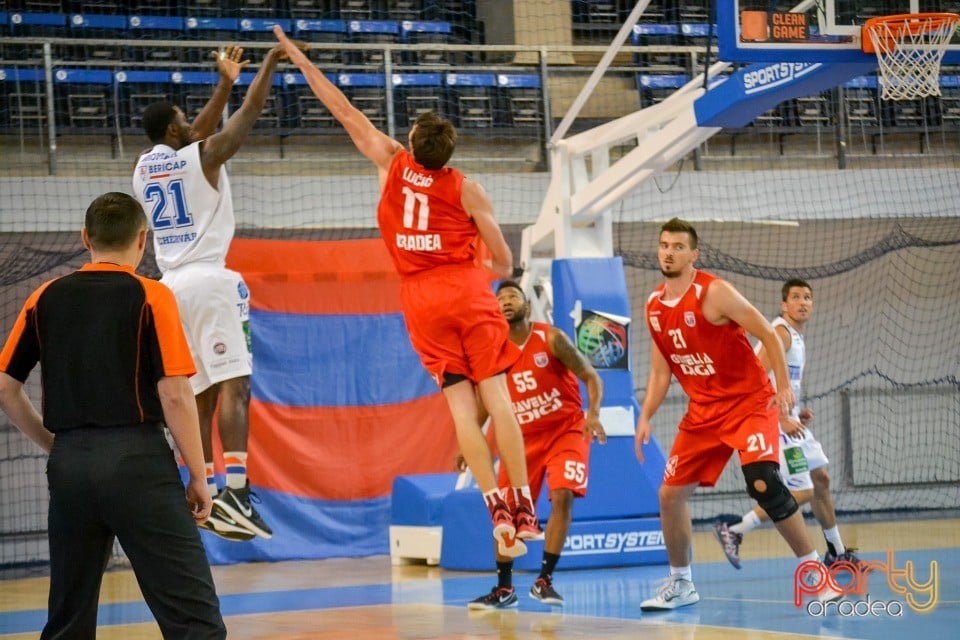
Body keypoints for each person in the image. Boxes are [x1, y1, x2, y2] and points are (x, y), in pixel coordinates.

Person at [272, 25, 539, 557]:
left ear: (413, 144)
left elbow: (343, 108)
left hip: (418, 299)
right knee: (500, 402)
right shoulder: (467, 187)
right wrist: (480, 267)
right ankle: (525, 506)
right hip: (465, 288)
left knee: (462, 412)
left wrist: (298, 58)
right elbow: (505, 261)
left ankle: (495, 512)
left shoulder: (390, 161)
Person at [0, 192, 226, 639]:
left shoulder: (44, 296)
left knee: (68, 620)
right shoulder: (152, 294)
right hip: (137, 463)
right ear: (143, 240)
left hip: (69, 468)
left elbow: (6, 387)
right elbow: (176, 394)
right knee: (194, 621)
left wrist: (54, 445)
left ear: (85, 238)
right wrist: (198, 476)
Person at [634, 218, 839, 611]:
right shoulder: (654, 306)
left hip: (748, 402)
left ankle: (815, 575)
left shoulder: (714, 292)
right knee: (669, 495)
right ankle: (681, 583)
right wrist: (645, 415)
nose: (668, 252)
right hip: (704, 412)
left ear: (693, 254)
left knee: (763, 481)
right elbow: (661, 371)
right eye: (664, 245)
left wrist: (782, 388)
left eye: (678, 246)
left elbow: (766, 331)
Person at [132, 44, 289, 541]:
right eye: (184, 119)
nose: (191, 123)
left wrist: (224, 82)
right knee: (236, 385)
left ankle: (205, 488)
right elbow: (251, 113)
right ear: (176, 131)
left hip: (169, 287)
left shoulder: (143, 169)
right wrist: (268, 65)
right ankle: (237, 492)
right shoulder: (205, 156)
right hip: (208, 281)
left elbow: (193, 132)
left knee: (200, 395)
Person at [464, 280, 607, 610]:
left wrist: (594, 414)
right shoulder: (493, 350)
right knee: (505, 514)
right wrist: (467, 440)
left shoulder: (551, 338)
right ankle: (504, 589)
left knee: (563, 495)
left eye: (513, 296)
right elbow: (487, 402)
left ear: (527, 304)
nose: (506, 302)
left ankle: (544, 580)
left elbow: (592, 377)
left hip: (565, 430)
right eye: (500, 299)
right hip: (521, 439)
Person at [714, 279, 863, 570]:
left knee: (821, 480)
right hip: (775, 424)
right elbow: (755, 375)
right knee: (804, 490)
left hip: (790, 418)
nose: (803, 302)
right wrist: (781, 418)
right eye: (796, 297)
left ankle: (836, 552)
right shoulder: (780, 333)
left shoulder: (796, 336)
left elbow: (783, 382)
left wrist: (795, 411)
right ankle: (734, 529)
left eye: (808, 297)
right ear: (785, 305)